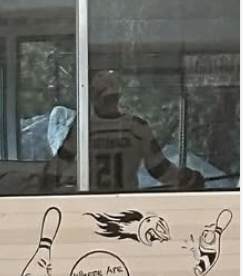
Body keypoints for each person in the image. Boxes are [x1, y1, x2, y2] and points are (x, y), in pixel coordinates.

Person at [47, 71, 203, 192]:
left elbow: (57, 168)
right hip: (128, 206)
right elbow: (160, 170)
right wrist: (187, 178)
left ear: (93, 97)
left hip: (91, 207)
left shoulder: (83, 129)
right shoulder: (137, 127)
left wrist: (41, 181)